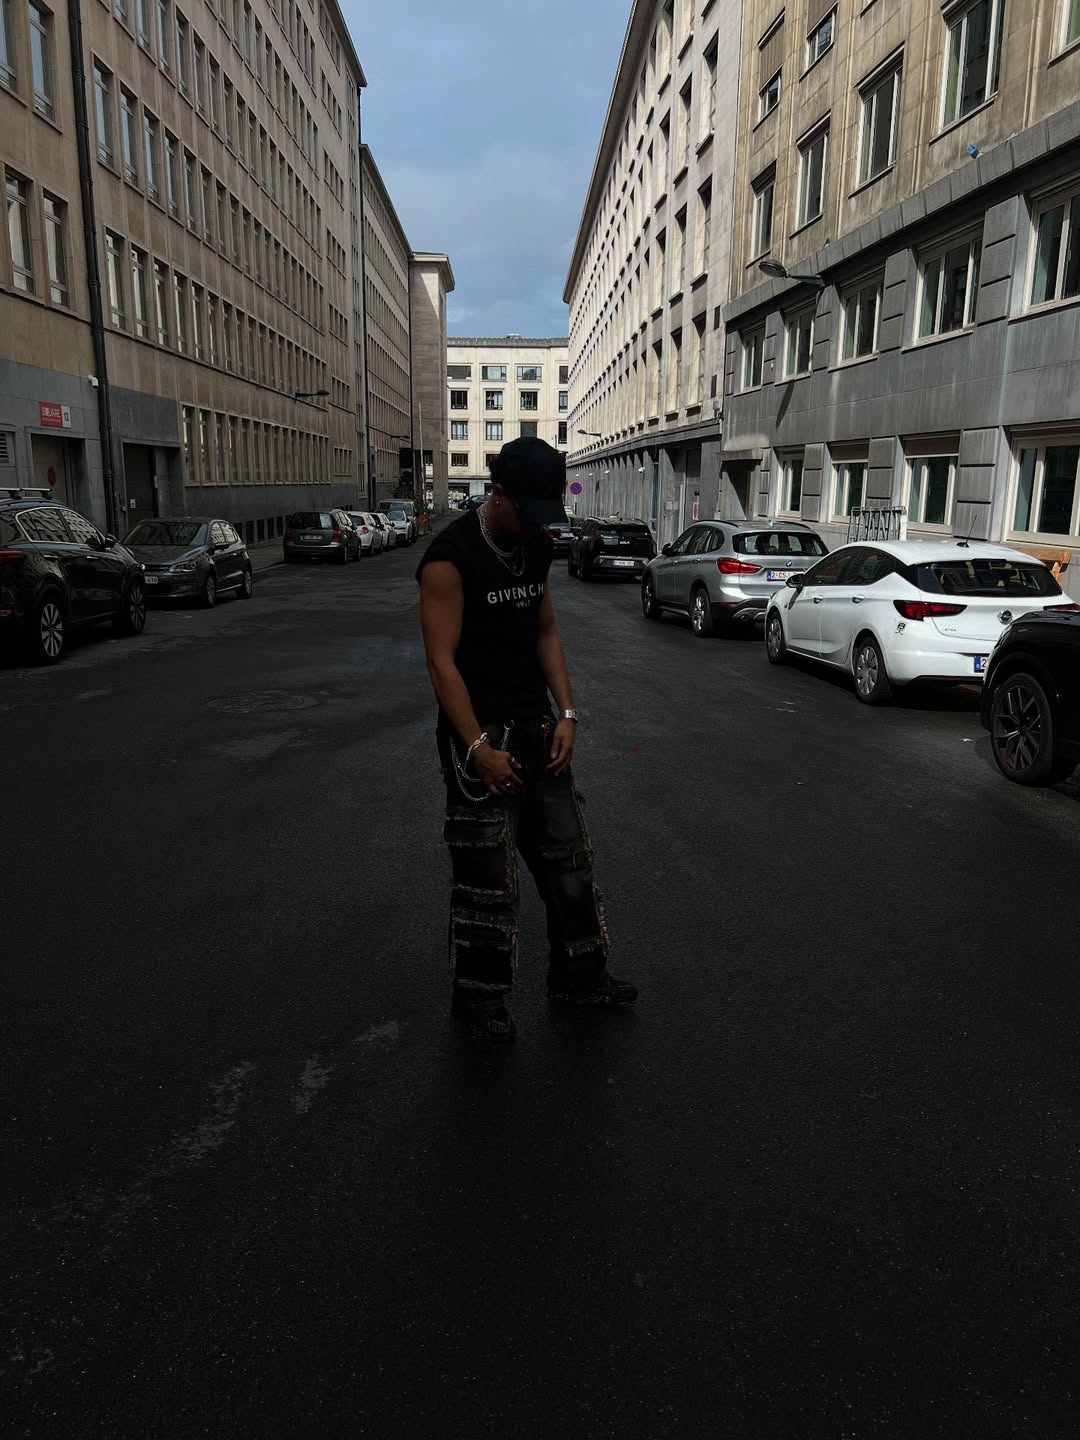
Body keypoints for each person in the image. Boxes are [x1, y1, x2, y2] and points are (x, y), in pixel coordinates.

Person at [417, 437, 637, 1042]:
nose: (538, 525)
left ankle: (579, 977)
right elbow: (441, 663)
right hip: (480, 735)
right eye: (528, 511)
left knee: (569, 861)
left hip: (537, 727)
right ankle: (479, 999)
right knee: (487, 877)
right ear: (498, 494)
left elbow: (546, 632)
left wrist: (568, 713)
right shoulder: (449, 558)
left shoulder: (536, 544)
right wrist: (477, 750)